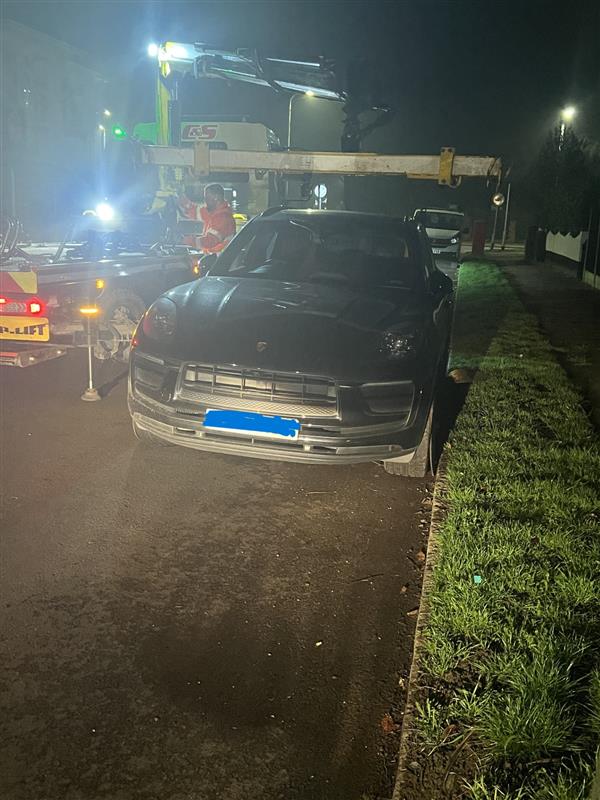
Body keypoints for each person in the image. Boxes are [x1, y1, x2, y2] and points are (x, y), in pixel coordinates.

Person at [178, 183, 236, 253]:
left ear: (216, 198)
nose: (205, 201)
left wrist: (186, 240)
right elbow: (195, 211)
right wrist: (181, 197)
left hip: (221, 257)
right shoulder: (214, 212)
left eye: (207, 198)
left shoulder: (223, 217)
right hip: (212, 256)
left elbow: (210, 241)